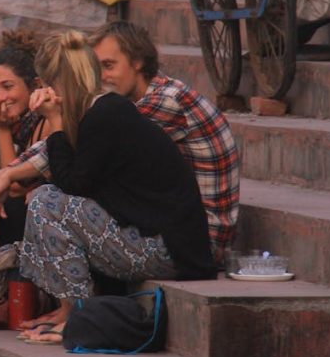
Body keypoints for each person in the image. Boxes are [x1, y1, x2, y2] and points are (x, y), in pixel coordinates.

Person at [0, 31, 215, 342]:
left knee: (48, 203)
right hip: (146, 238)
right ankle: (68, 311)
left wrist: (55, 122)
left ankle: (78, 316)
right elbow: (66, 173)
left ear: (53, 83)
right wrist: (9, 172)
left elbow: (73, 185)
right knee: (46, 197)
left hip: (170, 251)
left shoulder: (107, 113)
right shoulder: (96, 112)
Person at [89, 21, 239, 264]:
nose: (102, 78)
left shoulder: (166, 101)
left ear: (137, 61)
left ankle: (74, 302)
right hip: (175, 226)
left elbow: (90, 145)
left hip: (199, 244)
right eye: (96, 69)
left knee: (55, 204)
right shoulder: (136, 102)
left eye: (108, 66)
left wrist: (10, 174)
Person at [0, 35, 53, 248]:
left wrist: (2, 130)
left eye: (7, 86)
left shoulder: (48, 119)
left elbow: (14, 187)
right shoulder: (24, 125)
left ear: (34, 86)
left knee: (10, 211)